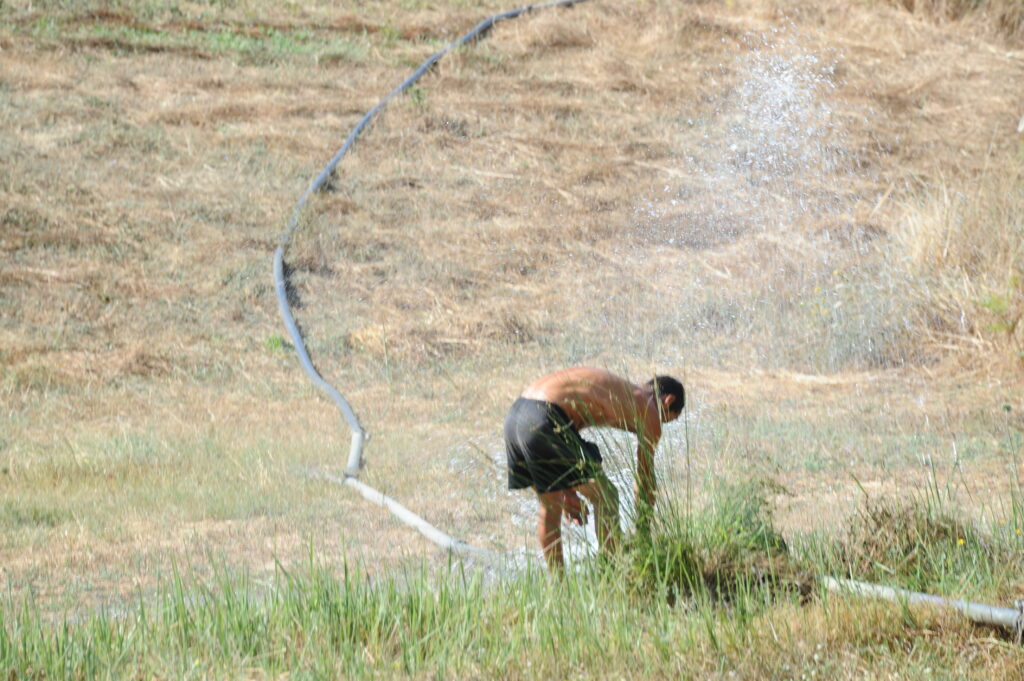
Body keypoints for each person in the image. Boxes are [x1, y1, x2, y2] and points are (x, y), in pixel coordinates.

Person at [504, 366, 685, 572]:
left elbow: (565, 431)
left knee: (550, 508)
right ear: (668, 401)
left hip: (515, 418)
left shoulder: (621, 391)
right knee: (607, 496)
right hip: (546, 417)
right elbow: (645, 479)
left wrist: (567, 490)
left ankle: (557, 586)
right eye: (667, 419)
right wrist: (643, 531)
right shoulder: (650, 409)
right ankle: (612, 571)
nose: (660, 426)